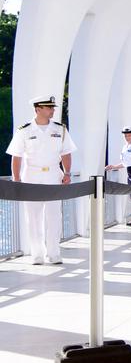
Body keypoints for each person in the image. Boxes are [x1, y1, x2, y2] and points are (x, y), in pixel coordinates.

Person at [6, 95, 77, 265]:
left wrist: (67, 173)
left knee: (54, 216)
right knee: (33, 217)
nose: (53, 110)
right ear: (38, 109)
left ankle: (54, 253)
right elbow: (16, 157)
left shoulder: (60, 129)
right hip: (32, 175)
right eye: (49, 108)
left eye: (52, 108)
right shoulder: (24, 130)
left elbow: (66, 152)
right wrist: (17, 179)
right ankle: (37, 254)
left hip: (53, 174)